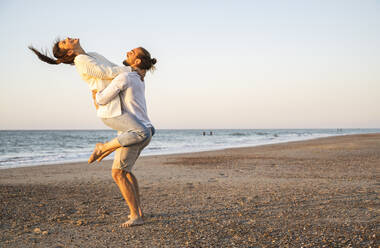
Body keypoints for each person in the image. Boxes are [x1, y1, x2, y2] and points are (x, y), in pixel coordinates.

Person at [29, 38, 157, 227]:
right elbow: (107, 72)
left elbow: (112, 69)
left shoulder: (94, 56)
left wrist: (135, 73)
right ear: (70, 52)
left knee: (121, 171)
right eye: (65, 42)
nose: (67, 39)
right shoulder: (83, 62)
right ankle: (136, 213)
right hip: (112, 110)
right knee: (123, 168)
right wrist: (134, 71)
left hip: (121, 113)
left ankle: (137, 213)